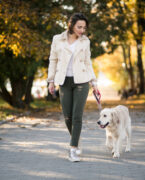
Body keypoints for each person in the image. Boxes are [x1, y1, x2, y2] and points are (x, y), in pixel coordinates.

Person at [47, 13, 98, 162]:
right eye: (79, 27)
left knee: (77, 116)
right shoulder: (57, 39)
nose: (82, 30)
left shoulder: (85, 41)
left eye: (84, 27)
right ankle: (76, 139)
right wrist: (51, 81)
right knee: (67, 116)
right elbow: (53, 60)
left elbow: (88, 62)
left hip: (81, 81)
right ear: (71, 25)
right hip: (64, 82)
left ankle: (73, 148)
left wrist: (94, 82)